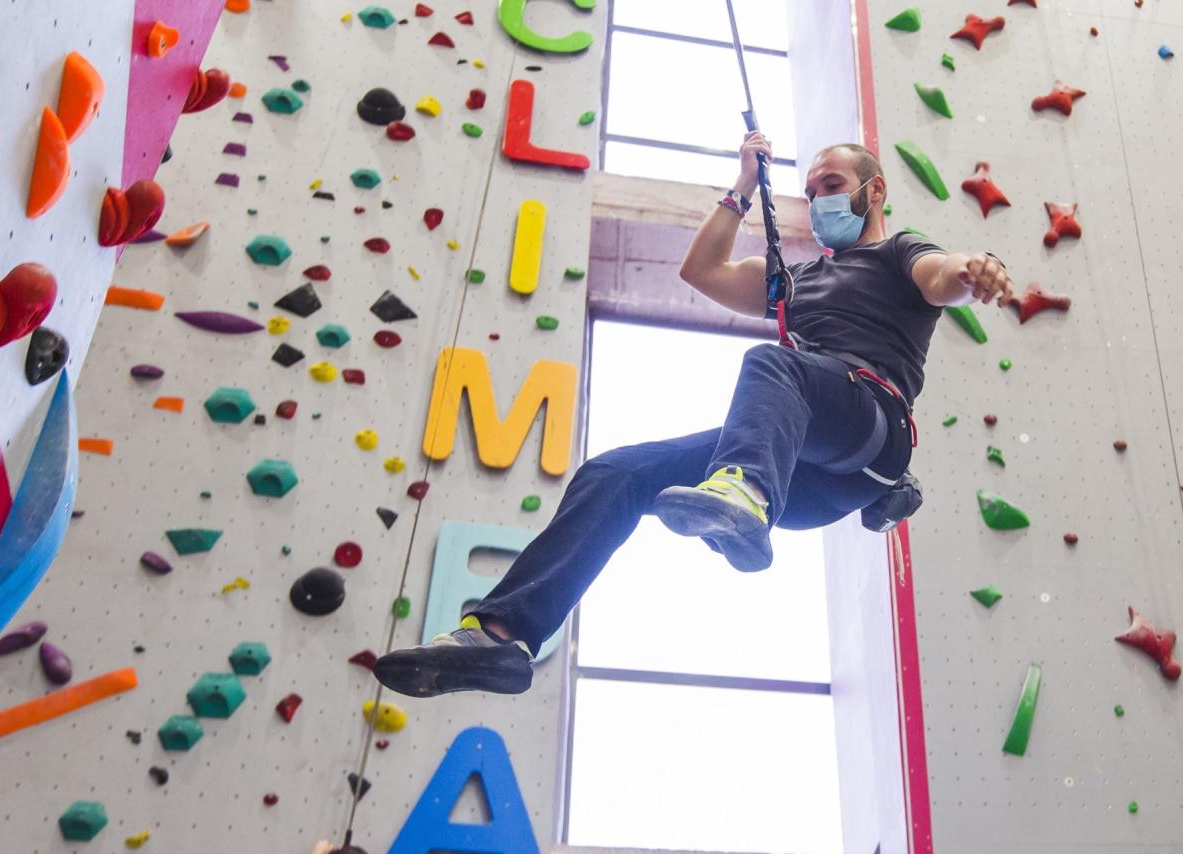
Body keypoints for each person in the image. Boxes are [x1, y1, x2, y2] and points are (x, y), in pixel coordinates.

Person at [374, 133, 1014, 699]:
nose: (818, 199)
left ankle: (745, 498)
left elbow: (941, 275)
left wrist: (975, 269)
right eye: (810, 189)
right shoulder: (795, 282)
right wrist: (741, 184)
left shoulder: (898, 253)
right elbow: (701, 270)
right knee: (616, 473)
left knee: (772, 364)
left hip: (871, 431)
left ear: (873, 192)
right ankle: (502, 635)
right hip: (799, 473)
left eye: (832, 186)